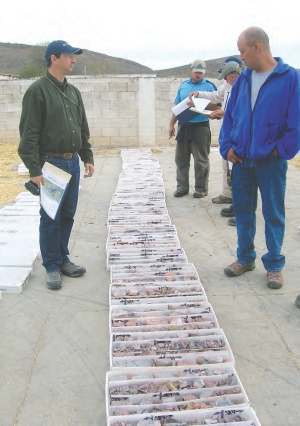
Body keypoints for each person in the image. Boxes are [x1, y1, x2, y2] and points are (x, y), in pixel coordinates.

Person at [219, 27, 300, 290]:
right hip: (241, 159)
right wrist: (227, 146)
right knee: (243, 212)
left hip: (270, 161)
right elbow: (230, 117)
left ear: (257, 47)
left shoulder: (290, 78)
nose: (240, 57)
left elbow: (296, 121)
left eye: (242, 51)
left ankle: (274, 265)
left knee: (273, 213)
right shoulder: (243, 80)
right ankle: (245, 258)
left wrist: (281, 150)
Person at [18, 40, 95, 290]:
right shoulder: (37, 91)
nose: (74, 60)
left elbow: (82, 128)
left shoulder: (73, 92)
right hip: (50, 164)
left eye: (75, 56)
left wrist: (87, 157)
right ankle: (51, 265)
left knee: (67, 214)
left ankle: (62, 259)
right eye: (69, 56)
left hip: (72, 163)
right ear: (54, 58)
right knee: (50, 216)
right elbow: (28, 135)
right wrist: (34, 170)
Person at [189, 58, 243, 227]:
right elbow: (216, 95)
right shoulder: (227, 86)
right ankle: (234, 202)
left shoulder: (244, 88)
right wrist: (199, 94)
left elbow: (241, 110)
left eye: (227, 77)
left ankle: (241, 209)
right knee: (228, 168)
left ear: (233, 76)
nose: (225, 81)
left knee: (240, 172)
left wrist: (223, 112)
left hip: (239, 134)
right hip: (229, 132)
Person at [168, 59, 216, 198]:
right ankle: (182, 187)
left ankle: (201, 188)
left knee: (201, 159)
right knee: (181, 159)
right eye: (196, 72)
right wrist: (171, 124)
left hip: (200, 127)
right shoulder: (183, 86)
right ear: (191, 71)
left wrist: (199, 103)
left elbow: (218, 107)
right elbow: (177, 107)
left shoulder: (209, 87)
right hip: (184, 125)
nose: (198, 75)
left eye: (201, 73)